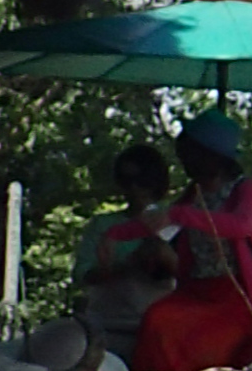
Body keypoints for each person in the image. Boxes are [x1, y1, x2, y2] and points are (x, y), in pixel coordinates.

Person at [130, 112, 252, 371]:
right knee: (156, 318)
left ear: (212, 155)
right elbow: (159, 228)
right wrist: (117, 237)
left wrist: (181, 215)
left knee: (180, 331)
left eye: (191, 155)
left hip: (235, 298)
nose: (185, 164)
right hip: (195, 291)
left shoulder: (247, 191)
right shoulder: (191, 195)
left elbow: (240, 224)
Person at [74, 143, 179, 357]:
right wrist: (125, 266)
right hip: (107, 325)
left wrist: (162, 256)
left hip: (160, 329)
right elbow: (82, 274)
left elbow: (187, 274)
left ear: (156, 182)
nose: (134, 188)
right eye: (126, 181)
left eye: (142, 181)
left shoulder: (174, 223)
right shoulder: (103, 225)